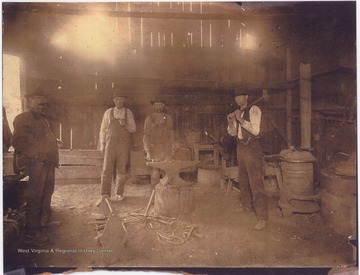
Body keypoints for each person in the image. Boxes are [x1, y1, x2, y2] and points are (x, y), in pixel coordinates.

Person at [11, 89, 59, 244]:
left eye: (43, 98)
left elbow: (44, 138)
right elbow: (16, 141)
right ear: (30, 100)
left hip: (49, 161)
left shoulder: (44, 117)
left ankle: (43, 222)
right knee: (36, 196)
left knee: (47, 192)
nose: (41, 102)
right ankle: (32, 231)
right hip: (37, 163)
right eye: (37, 98)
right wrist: (36, 154)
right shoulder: (23, 118)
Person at [227, 89, 268, 230]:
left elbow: (256, 131)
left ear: (246, 96)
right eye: (235, 96)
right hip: (240, 148)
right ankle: (246, 206)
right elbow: (232, 133)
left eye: (240, 95)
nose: (237, 98)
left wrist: (240, 120)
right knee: (243, 179)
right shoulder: (238, 111)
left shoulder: (254, 109)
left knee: (256, 182)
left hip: (252, 147)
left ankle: (262, 218)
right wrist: (231, 122)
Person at [96, 89, 136, 205]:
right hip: (110, 145)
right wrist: (102, 145)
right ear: (113, 100)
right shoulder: (108, 112)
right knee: (106, 170)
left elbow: (133, 129)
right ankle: (105, 195)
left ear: (124, 100)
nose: (118, 101)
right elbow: (103, 130)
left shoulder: (128, 113)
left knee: (121, 170)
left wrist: (126, 125)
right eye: (116, 99)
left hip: (123, 146)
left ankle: (118, 194)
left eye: (120, 98)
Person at [143, 96, 175, 192]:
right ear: (153, 106)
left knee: (168, 174)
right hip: (154, 149)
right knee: (155, 175)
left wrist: (173, 148)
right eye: (156, 104)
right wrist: (148, 152)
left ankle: (167, 197)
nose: (159, 106)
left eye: (161, 104)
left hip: (166, 149)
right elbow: (145, 136)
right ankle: (154, 197)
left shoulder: (168, 118)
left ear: (163, 106)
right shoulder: (149, 119)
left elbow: (172, 134)